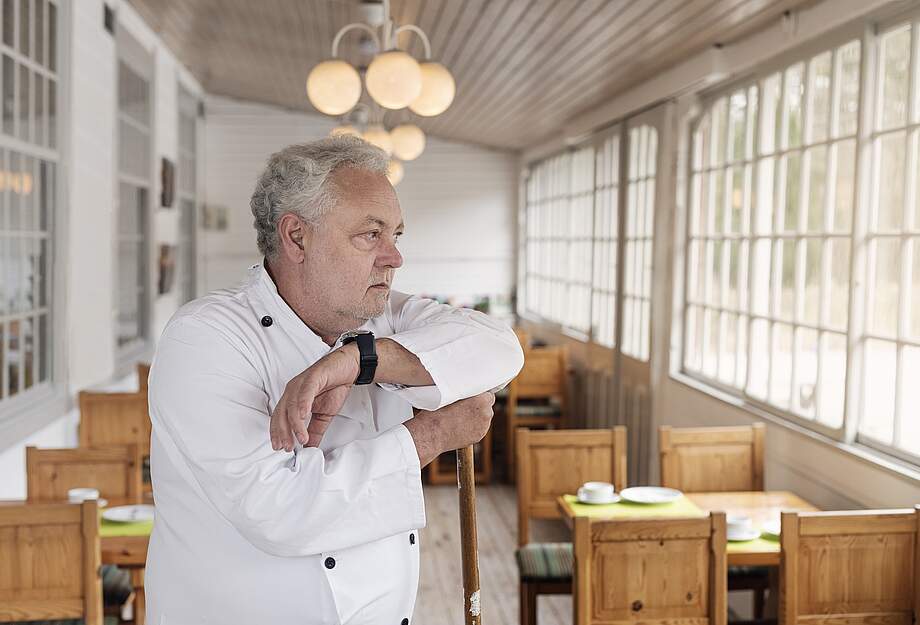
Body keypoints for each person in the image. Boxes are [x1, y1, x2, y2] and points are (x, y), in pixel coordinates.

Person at [145, 136, 524, 624]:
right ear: (297, 237)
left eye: (396, 235)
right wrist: (433, 433)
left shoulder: (379, 317)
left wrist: (356, 361)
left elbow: (499, 346)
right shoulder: (205, 338)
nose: (394, 257)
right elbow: (281, 511)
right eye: (371, 234)